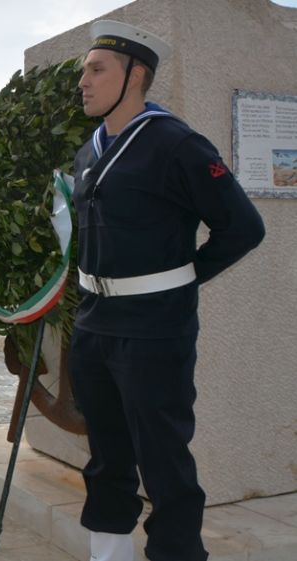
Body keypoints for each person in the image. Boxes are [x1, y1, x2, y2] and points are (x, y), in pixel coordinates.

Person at [70, 21, 265, 561]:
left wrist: (184, 276)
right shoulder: (89, 152)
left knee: (163, 459)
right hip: (93, 323)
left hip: (154, 329)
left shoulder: (174, 142)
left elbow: (244, 227)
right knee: (107, 455)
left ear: (137, 75)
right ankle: (109, 553)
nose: (83, 81)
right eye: (84, 70)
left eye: (96, 69)